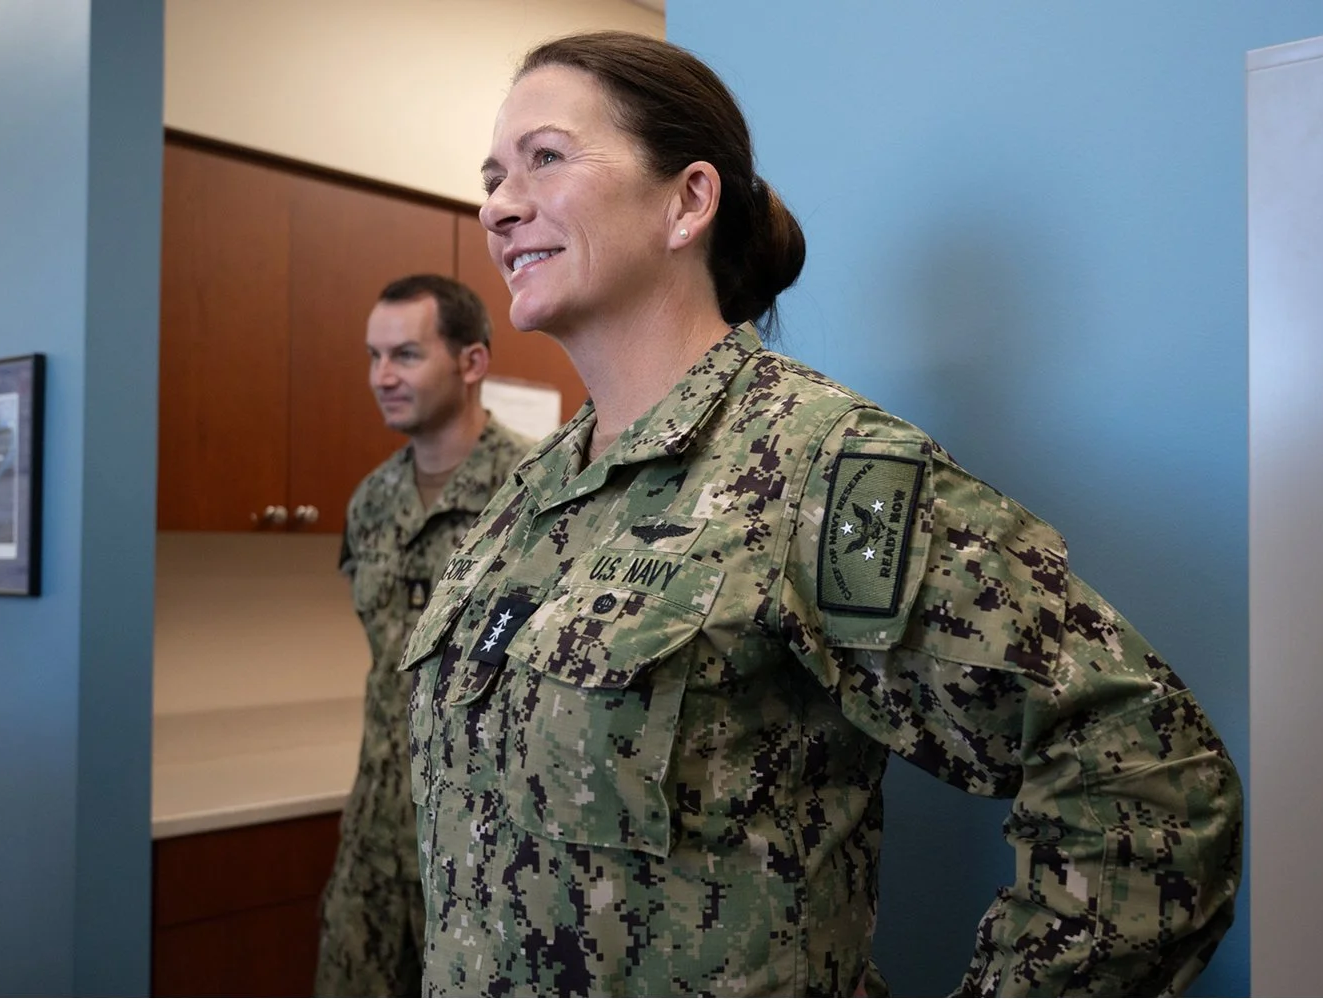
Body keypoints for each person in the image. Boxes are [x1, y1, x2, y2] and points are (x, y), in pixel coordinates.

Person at [400, 32, 1243, 997]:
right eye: (493, 174)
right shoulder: (524, 495)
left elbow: (1147, 772)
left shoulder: (813, 464)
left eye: (545, 157)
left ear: (688, 201)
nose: (498, 205)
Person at [316, 274, 534, 996]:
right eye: (373, 356)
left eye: (405, 355)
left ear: (472, 361)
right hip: (374, 842)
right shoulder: (372, 502)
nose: (382, 377)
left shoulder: (539, 495)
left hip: (488, 857)